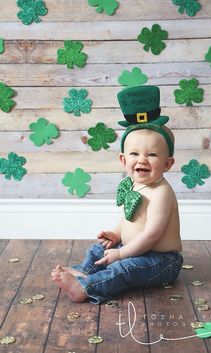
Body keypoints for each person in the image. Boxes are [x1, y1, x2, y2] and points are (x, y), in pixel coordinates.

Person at [51, 85, 183, 304]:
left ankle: (86, 288)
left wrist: (121, 254)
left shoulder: (162, 193)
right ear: (123, 160)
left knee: (124, 268)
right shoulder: (134, 183)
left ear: (168, 164)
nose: (141, 160)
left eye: (151, 154)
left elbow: (152, 235)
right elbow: (129, 217)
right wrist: (116, 234)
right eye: (134, 154)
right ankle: (85, 272)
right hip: (136, 249)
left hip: (160, 261)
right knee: (100, 248)